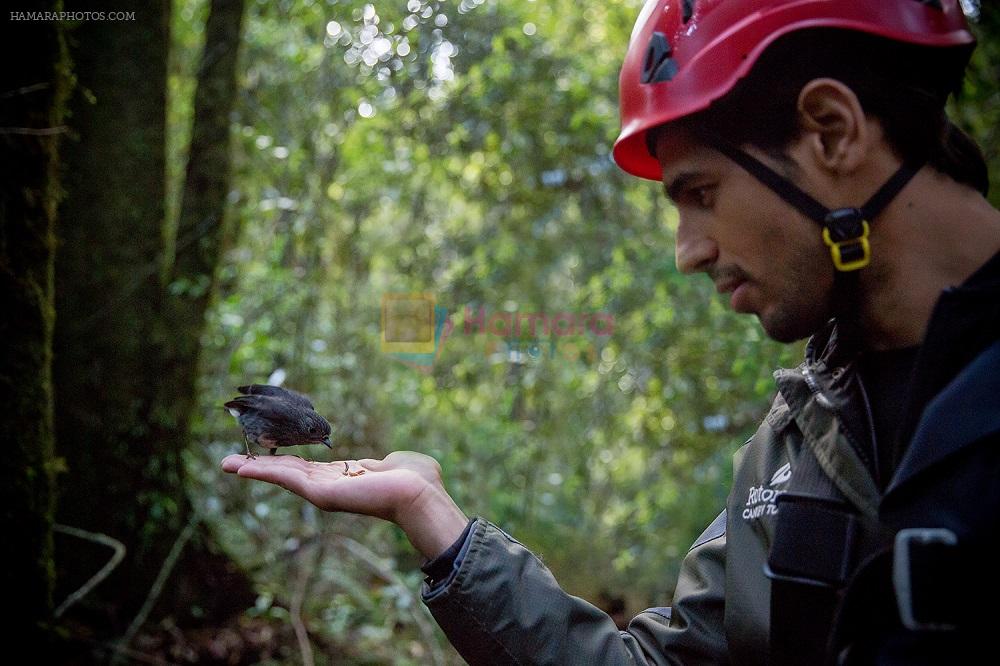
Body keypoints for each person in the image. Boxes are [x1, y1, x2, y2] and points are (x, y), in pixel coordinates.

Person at [222, 0, 1000, 663]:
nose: (688, 251)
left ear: (831, 132)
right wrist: (440, 525)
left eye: (702, 192)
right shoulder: (804, 437)